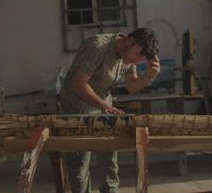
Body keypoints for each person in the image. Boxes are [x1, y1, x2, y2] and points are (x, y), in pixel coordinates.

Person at [60, 28, 160, 193]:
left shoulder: (129, 55)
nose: (135, 63)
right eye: (136, 57)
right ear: (130, 40)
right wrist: (104, 106)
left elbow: (132, 86)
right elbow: (78, 84)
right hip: (76, 106)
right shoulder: (97, 47)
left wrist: (149, 75)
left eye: (139, 61)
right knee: (80, 161)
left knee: (109, 156)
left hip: (103, 106)